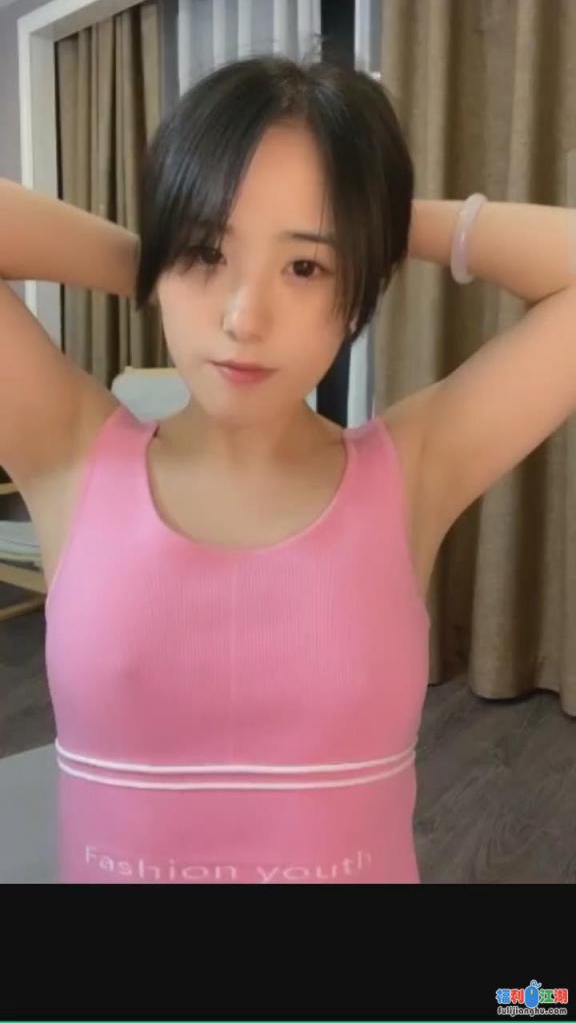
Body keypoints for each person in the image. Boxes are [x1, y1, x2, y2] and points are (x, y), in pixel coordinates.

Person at [1, 54, 575, 884]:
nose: (244, 317)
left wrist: (378, 220)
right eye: (205, 254)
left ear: (358, 287)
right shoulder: (69, 454)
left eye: (306, 266)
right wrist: (152, 256)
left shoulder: (413, 471)